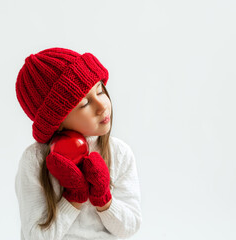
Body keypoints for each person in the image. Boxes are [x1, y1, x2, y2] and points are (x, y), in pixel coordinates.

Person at [14, 47, 142, 239]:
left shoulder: (120, 153)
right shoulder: (35, 160)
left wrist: (104, 200)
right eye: (84, 104)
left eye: (100, 91)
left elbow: (130, 227)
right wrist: (73, 199)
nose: (102, 106)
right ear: (56, 122)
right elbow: (35, 236)